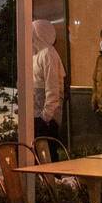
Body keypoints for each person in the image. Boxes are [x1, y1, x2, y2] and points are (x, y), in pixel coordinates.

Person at [32, 19, 66, 150]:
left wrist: (46, 116)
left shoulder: (48, 54)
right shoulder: (36, 53)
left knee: (47, 154)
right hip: (37, 116)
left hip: (46, 119)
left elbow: (53, 89)